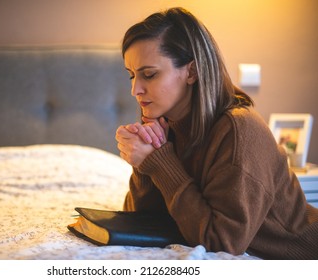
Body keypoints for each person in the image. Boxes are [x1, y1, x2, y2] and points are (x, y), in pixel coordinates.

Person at [115, 7, 318, 259]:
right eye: (131, 76)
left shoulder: (239, 130)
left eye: (149, 74)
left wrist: (158, 163)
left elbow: (222, 242)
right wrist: (146, 160)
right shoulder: (168, 125)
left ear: (191, 71)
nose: (135, 89)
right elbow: (143, 222)